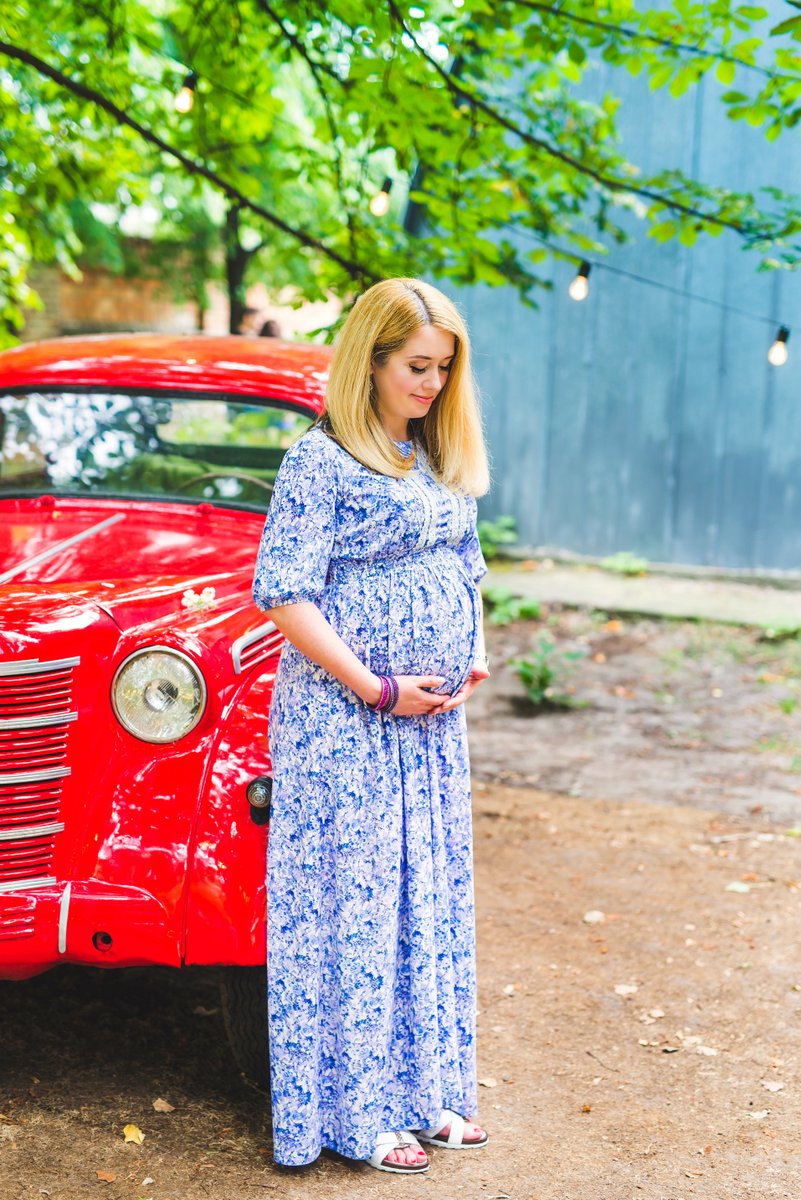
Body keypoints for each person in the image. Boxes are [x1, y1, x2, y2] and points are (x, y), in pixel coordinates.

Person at [251, 277, 492, 1175]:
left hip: (428, 725)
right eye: (415, 367)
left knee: (424, 897)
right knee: (356, 907)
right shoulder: (320, 461)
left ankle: (428, 1092)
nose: (431, 385)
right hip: (346, 722)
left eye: (443, 368)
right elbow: (284, 592)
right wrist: (376, 686)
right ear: (372, 361)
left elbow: (466, 564)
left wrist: (472, 651)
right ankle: (358, 1113)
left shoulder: (432, 453)